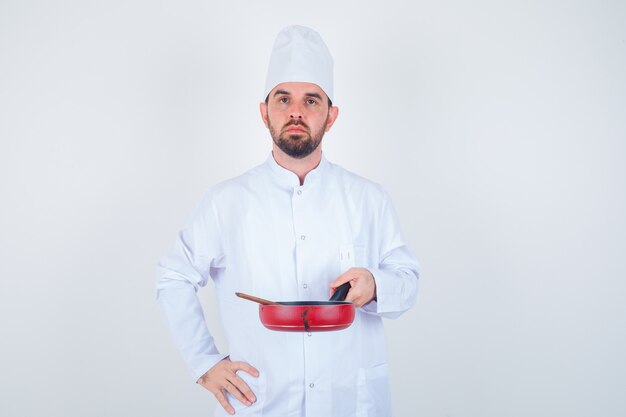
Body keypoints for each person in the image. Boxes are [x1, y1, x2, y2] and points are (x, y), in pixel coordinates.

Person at [156, 25, 419, 417]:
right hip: (261, 401)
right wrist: (204, 363)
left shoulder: (369, 198)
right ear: (265, 113)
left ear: (331, 116)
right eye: (284, 99)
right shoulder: (225, 202)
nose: (296, 111)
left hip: (349, 402)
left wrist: (377, 284)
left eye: (311, 100)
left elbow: (408, 280)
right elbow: (173, 278)